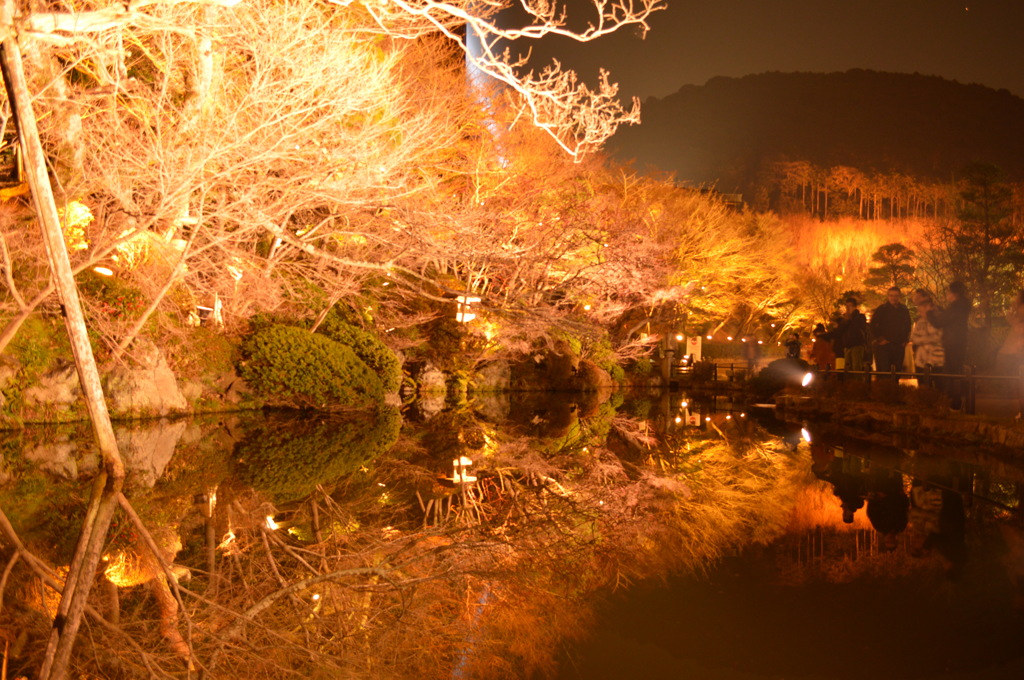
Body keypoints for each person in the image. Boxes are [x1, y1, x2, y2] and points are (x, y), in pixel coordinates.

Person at [927, 281, 972, 410]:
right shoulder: (963, 306)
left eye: (948, 292)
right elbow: (948, 318)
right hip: (960, 341)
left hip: (952, 343)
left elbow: (939, 322)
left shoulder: (956, 307)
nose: (947, 295)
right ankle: (957, 401)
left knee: (950, 373)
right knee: (956, 371)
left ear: (954, 294)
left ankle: (953, 402)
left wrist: (930, 313)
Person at [870, 286, 912, 373]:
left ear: (899, 296)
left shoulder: (903, 309)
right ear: (888, 296)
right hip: (884, 346)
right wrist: (879, 339)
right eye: (891, 295)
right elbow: (873, 325)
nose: (894, 298)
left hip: (898, 345)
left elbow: (908, 325)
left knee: (897, 371)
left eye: (896, 295)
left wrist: (905, 339)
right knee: (884, 372)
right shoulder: (882, 309)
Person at [996, 289, 1024, 418]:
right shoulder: (1018, 310)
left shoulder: (1022, 310)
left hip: (1013, 353)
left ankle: (1017, 410)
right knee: (1013, 382)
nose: (1015, 298)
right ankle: (1016, 409)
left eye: (1017, 296)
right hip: (1012, 352)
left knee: (1014, 382)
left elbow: (1018, 328)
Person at [910, 289, 944, 385]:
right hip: (921, 359)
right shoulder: (920, 321)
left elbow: (938, 337)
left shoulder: (938, 320)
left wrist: (923, 340)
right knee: (923, 384)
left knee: (938, 384)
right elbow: (914, 338)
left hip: (937, 359)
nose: (921, 314)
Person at [833, 297, 869, 371]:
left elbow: (859, 327)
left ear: (855, 307)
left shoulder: (860, 317)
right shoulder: (845, 319)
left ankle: (856, 382)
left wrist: (851, 318)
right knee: (847, 368)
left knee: (856, 368)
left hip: (857, 345)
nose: (848, 308)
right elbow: (840, 331)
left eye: (850, 306)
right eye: (846, 306)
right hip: (847, 346)